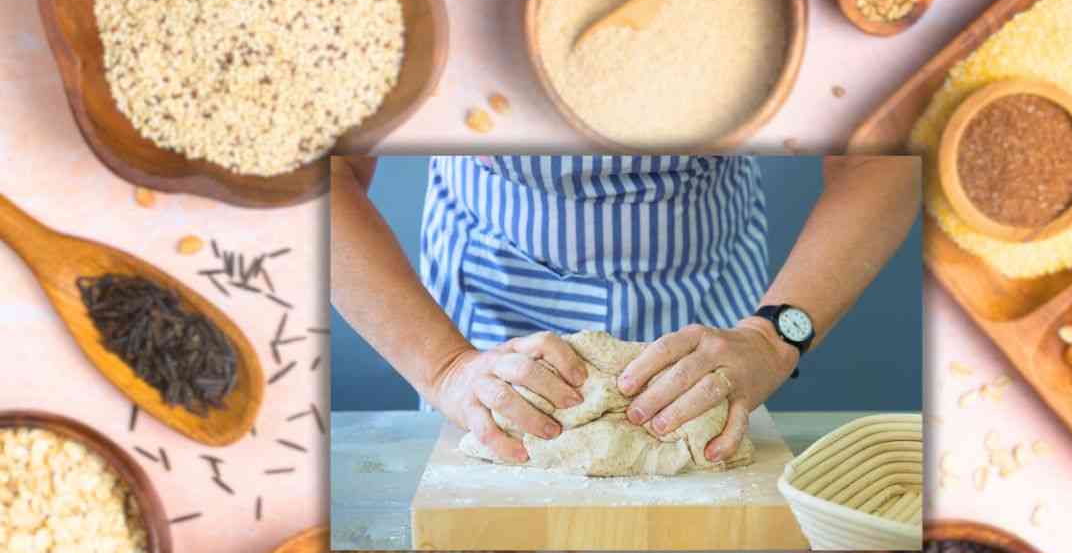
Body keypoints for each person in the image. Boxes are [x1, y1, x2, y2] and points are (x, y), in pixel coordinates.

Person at [331, 155, 919, 464]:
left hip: (712, 308)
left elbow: (880, 154)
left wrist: (773, 338)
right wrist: (445, 367)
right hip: (485, 317)